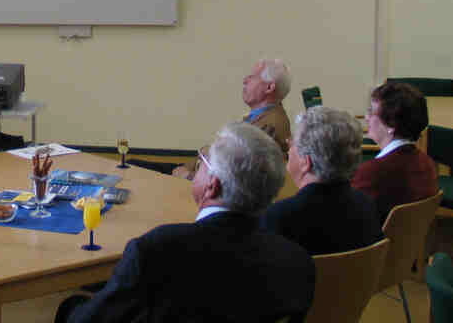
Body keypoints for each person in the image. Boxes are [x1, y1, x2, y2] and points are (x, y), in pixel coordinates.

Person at [60, 123, 315, 323]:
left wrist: (71, 307)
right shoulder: (298, 262)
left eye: (201, 163)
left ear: (212, 185)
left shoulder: (157, 249)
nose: (197, 167)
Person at [130, 58, 293, 179]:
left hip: (196, 179)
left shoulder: (270, 126)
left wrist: (188, 176)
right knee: (131, 165)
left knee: (133, 169)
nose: (245, 80)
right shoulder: (265, 116)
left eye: (253, 77)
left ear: (269, 87)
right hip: (194, 171)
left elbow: (232, 176)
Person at [260, 106, 384, 254]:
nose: (288, 143)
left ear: (306, 163)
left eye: (292, 141)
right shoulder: (367, 205)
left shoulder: (278, 218)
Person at [352, 81, 438, 222]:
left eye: (371, 112)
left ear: (391, 125)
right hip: (407, 242)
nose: (367, 117)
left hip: (377, 242)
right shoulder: (427, 163)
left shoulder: (372, 173)